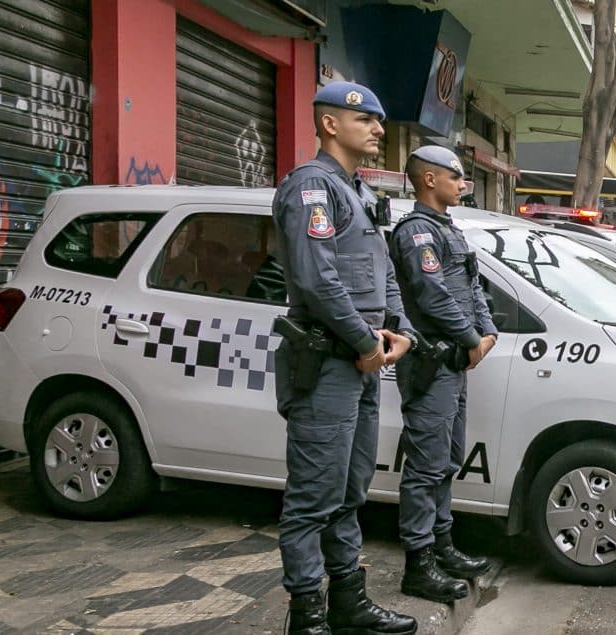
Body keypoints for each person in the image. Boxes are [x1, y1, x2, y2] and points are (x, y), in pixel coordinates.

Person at [272, 81, 418, 635]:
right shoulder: (311, 188)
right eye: (367, 121)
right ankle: (308, 617)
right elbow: (316, 278)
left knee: (351, 491)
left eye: (380, 121)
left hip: (362, 363)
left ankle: (349, 604)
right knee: (313, 497)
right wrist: (365, 343)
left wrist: (397, 331)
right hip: (328, 362)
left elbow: (381, 271)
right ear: (330, 124)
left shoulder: (356, 192)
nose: (379, 129)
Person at [388, 146, 498, 604]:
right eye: (456, 175)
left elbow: (471, 285)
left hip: (455, 364)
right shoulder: (416, 233)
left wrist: (485, 331)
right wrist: (472, 338)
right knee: (426, 465)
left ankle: (442, 546)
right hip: (433, 364)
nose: (462, 182)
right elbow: (432, 296)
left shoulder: (448, 230)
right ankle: (419, 562)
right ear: (429, 179)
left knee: (448, 460)